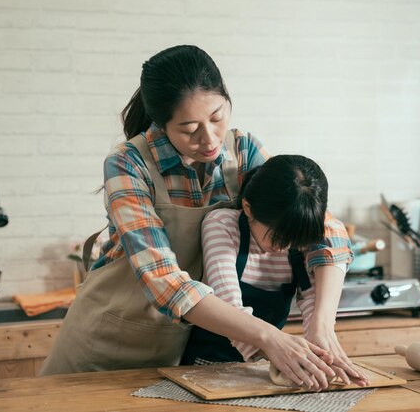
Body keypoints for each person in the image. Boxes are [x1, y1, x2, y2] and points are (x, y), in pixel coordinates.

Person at [40, 45, 363, 390]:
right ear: (162, 125)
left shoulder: (243, 152)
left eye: (217, 117)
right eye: (189, 128)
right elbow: (163, 279)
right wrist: (269, 338)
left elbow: (323, 227)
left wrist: (321, 326)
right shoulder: (128, 164)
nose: (209, 139)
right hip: (104, 346)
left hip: (176, 352)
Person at [182, 155, 369, 386]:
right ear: (248, 208)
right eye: (278, 237)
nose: (284, 247)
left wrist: (322, 352)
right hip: (206, 367)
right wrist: (279, 351)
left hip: (262, 368)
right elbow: (229, 303)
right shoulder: (222, 225)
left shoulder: (298, 239)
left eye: (293, 241)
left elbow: (312, 303)